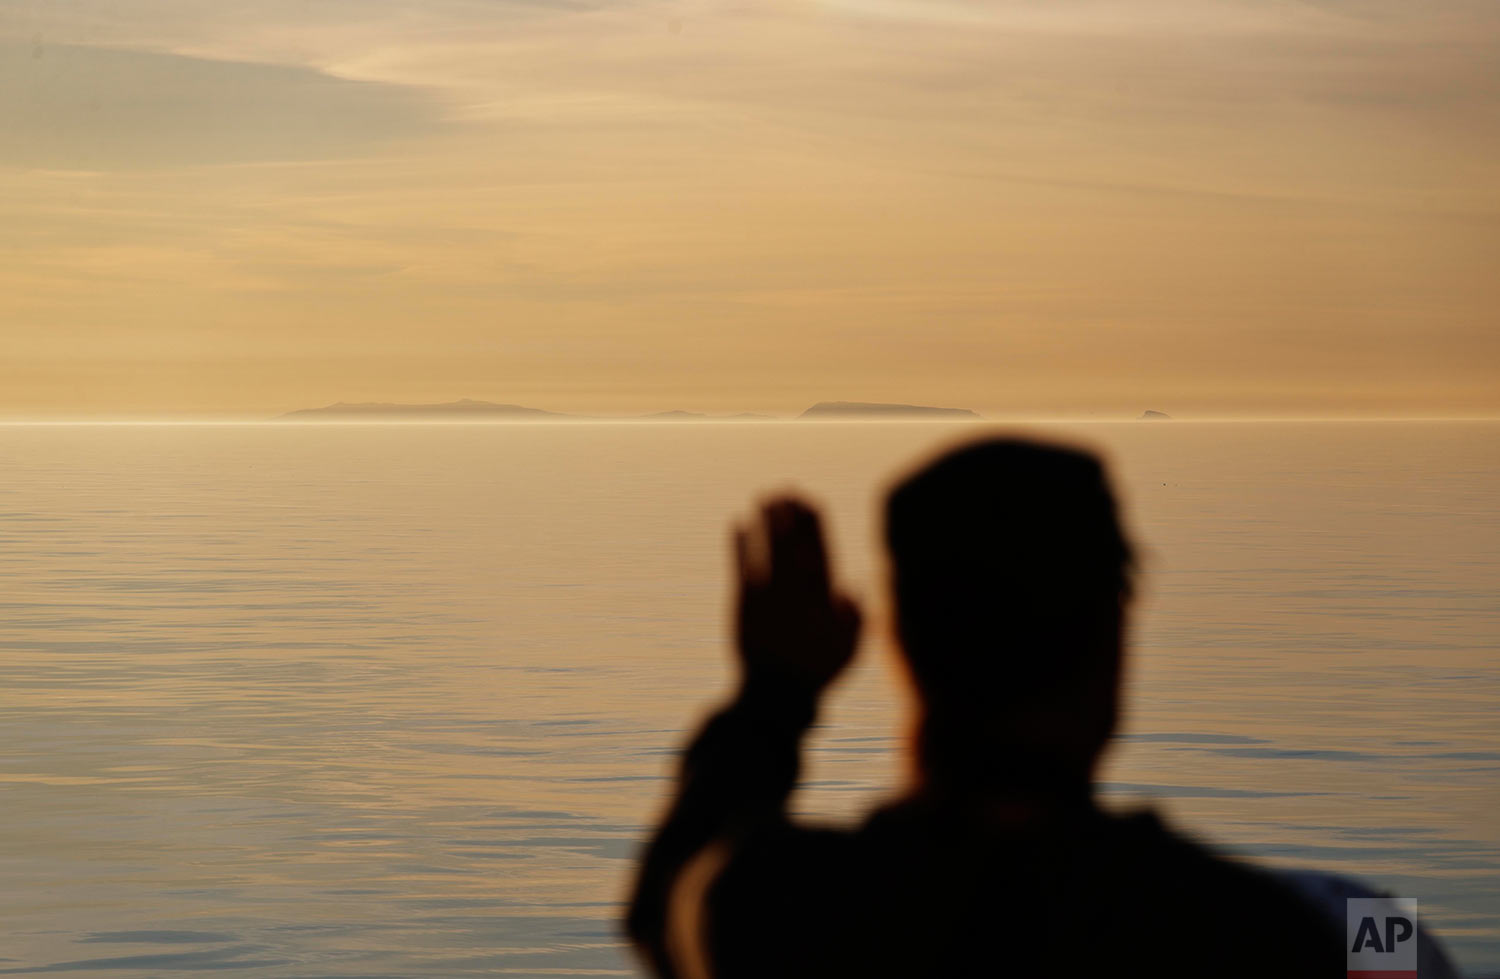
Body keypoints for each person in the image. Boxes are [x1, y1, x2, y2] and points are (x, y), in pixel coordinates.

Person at [624, 437, 1445, 978]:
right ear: (1116, 648)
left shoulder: (781, 911)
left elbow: (664, 904)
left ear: (898, 643)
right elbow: (1391, 948)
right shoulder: (1251, 936)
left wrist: (775, 692)